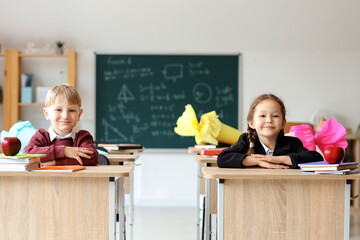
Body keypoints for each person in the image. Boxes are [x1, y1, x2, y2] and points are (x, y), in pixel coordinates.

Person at [217, 93, 323, 169]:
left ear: (283, 123)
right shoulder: (246, 140)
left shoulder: (292, 143)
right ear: (251, 123)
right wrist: (258, 161)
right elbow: (223, 158)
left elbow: (316, 158)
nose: (269, 120)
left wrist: (278, 159)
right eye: (262, 115)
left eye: (275, 116)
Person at [23, 83, 99, 166]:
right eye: (58, 110)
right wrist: (64, 151)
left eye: (72, 110)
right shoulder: (41, 136)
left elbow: (92, 157)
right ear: (47, 113)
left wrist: (55, 163)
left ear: (79, 115)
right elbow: (27, 153)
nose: (65, 116)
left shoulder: (83, 137)